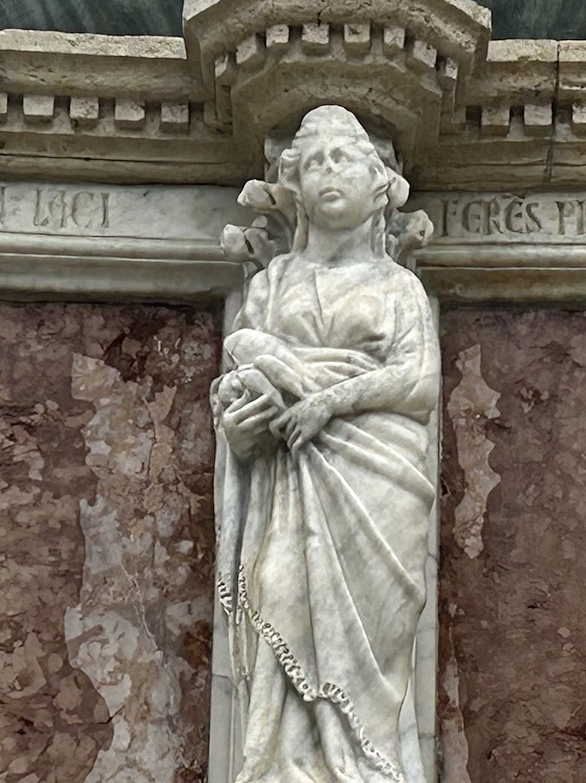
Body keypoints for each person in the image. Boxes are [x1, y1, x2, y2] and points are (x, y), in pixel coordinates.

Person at [214, 105, 438, 783]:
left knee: (374, 635)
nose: (328, 173)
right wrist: (243, 427)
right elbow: (242, 400)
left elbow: (421, 383)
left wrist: (328, 400)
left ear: (379, 188)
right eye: (314, 163)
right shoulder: (271, 285)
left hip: (378, 481)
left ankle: (368, 767)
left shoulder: (399, 287)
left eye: (344, 160)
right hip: (288, 483)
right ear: (298, 188)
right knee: (278, 585)